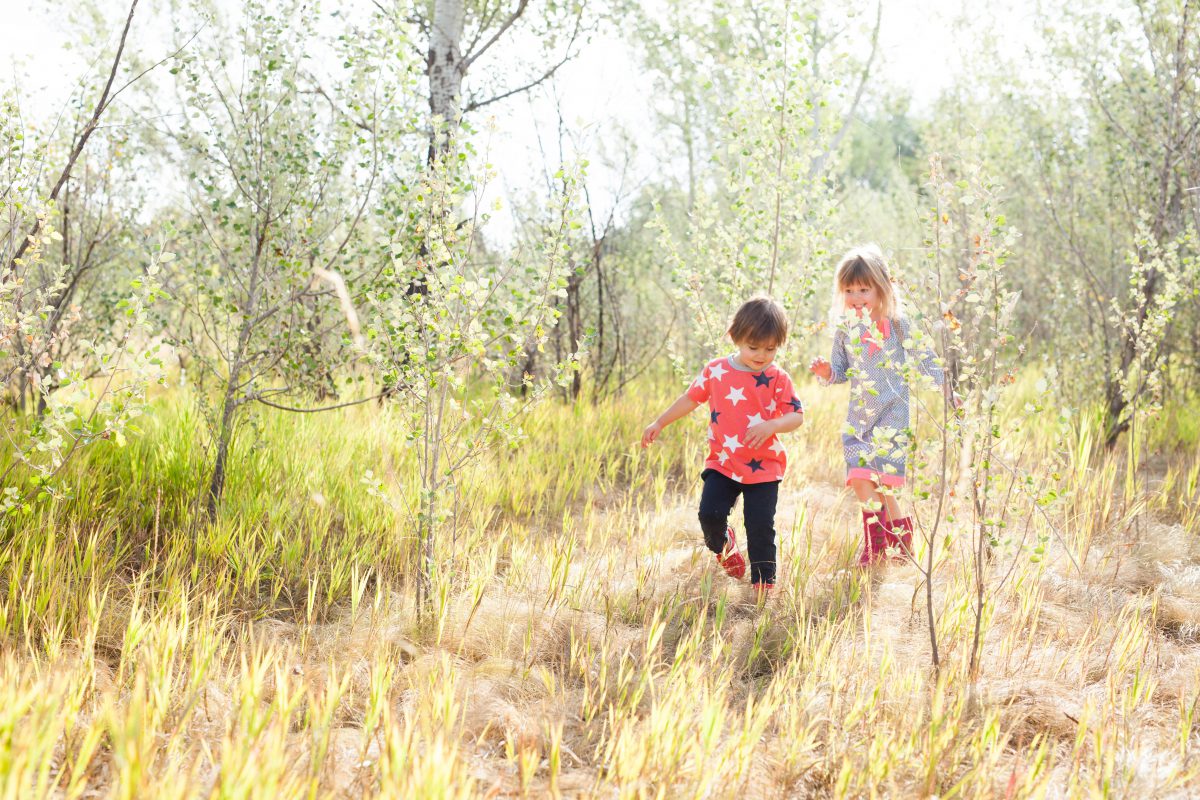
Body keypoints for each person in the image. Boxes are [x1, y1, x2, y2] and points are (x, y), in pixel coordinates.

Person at [641, 296, 805, 593]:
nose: (762, 355)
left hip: (764, 467)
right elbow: (691, 398)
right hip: (723, 462)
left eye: (770, 349)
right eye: (753, 347)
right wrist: (659, 422)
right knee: (710, 515)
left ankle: (762, 587)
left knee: (760, 529)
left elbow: (796, 416)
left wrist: (772, 425)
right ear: (735, 338)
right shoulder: (717, 370)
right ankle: (723, 545)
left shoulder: (777, 377)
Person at [809, 244, 946, 566]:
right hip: (859, 418)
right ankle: (877, 544)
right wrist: (826, 373)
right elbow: (840, 371)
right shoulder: (845, 330)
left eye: (863, 289)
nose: (856, 296)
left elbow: (925, 360)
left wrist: (947, 389)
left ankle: (898, 542)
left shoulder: (898, 325)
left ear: (880, 288)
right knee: (859, 478)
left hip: (893, 415)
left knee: (885, 484)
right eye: (849, 290)